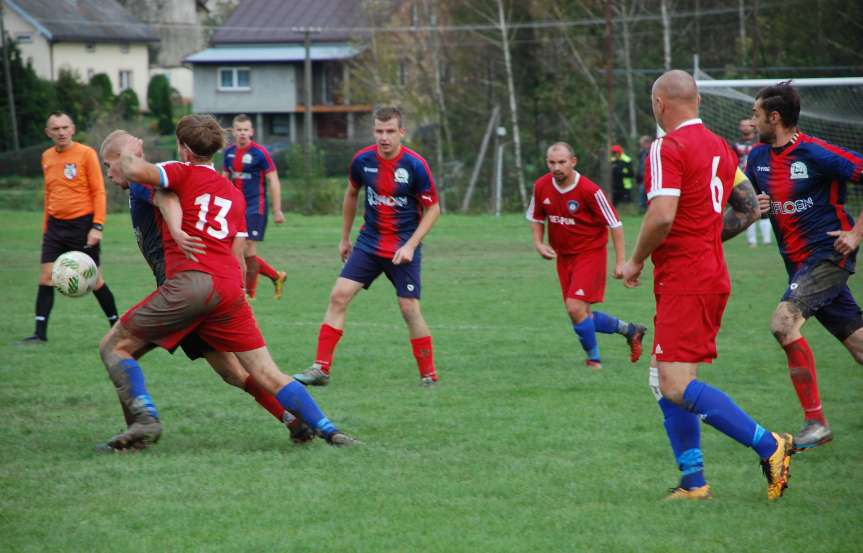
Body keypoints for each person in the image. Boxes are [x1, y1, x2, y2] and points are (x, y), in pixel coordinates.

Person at [97, 114, 355, 451]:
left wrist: (131, 157)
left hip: (187, 289)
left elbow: (163, 194)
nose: (109, 172)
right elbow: (238, 248)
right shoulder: (231, 191)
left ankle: (143, 425)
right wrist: (239, 291)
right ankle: (318, 426)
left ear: (184, 149)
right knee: (245, 372)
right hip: (224, 290)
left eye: (108, 164)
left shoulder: (173, 173)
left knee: (115, 348)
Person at [622, 70, 793, 501]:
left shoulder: (667, 147)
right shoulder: (719, 147)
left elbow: (661, 214)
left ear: (660, 103)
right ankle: (694, 483)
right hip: (706, 274)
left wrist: (635, 260)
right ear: (697, 101)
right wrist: (702, 241)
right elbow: (749, 206)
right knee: (664, 380)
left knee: (675, 385)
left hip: (686, 279)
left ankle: (769, 444)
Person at [746, 81, 863, 450]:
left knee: (784, 322)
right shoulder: (757, 160)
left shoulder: (816, 153)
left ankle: (816, 423)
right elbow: (750, 205)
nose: (752, 121)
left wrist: (857, 234)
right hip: (798, 267)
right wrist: (754, 212)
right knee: (859, 345)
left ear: (774, 117)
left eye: (756, 114)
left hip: (828, 256)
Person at [293, 107, 441, 387]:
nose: (383, 137)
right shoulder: (362, 160)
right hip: (369, 243)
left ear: (401, 133)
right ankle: (320, 369)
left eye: (389, 131)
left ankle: (428, 375)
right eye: (379, 131)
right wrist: (344, 238)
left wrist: (411, 245)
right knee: (338, 296)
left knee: (409, 309)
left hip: (402, 248)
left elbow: (433, 209)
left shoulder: (415, 165)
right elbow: (351, 195)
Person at [526, 142, 646, 370]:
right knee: (581, 313)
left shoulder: (590, 190)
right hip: (564, 257)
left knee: (574, 307)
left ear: (573, 161)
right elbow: (536, 217)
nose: (556, 167)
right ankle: (631, 330)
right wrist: (539, 244)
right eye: (552, 163)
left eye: (562, 162)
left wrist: (621, 262)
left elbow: (616, 224)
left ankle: (594, 360)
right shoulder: (541, 186)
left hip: (590, 255)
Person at [20, 112, 119, 344]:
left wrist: (97, 227)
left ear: (73, 129)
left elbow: (99, 191)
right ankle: (39, 334)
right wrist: (46, 228)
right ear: (48, 132)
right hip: (55, 226)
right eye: (56, 129)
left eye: (65, 127)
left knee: (94, 280)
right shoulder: (46, 157)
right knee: (46, 277)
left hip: (82, 225)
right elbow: (49, 194)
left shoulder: (86, 154)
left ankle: (118, 329)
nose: (61, 132)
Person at [222, 114, 287, 300]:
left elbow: (273, 179)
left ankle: (249, 296)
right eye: (238, 130)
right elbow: (224, 179)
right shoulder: (229, 153)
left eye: (245, 130)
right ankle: (276, 276)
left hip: (255, 207)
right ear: (233, 132)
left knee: (247, 248)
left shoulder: (259, 153)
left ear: (251, 131)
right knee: (238, 251)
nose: (242, 133)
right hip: (235, 208)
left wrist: (277, 210)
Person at [733, 118, 772, 247]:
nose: (745, 127)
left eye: (747, 125)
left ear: (753, 127)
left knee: (764, 208)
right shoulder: (736, 144)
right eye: (742, 125)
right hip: (742, 180)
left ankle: (767, 240)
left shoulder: (761, 141)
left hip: (759, 176)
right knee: (748, 208)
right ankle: (752, 241)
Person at [635, 135, 652, 212]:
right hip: (642, 177)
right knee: (642, 192)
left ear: (647, 143)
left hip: (649, 176)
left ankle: (648, 209)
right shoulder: (642, 153)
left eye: (642, 144)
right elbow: (641, 166)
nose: (641, 146)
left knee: (646, 193)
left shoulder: (652, 151)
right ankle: (642, 209)